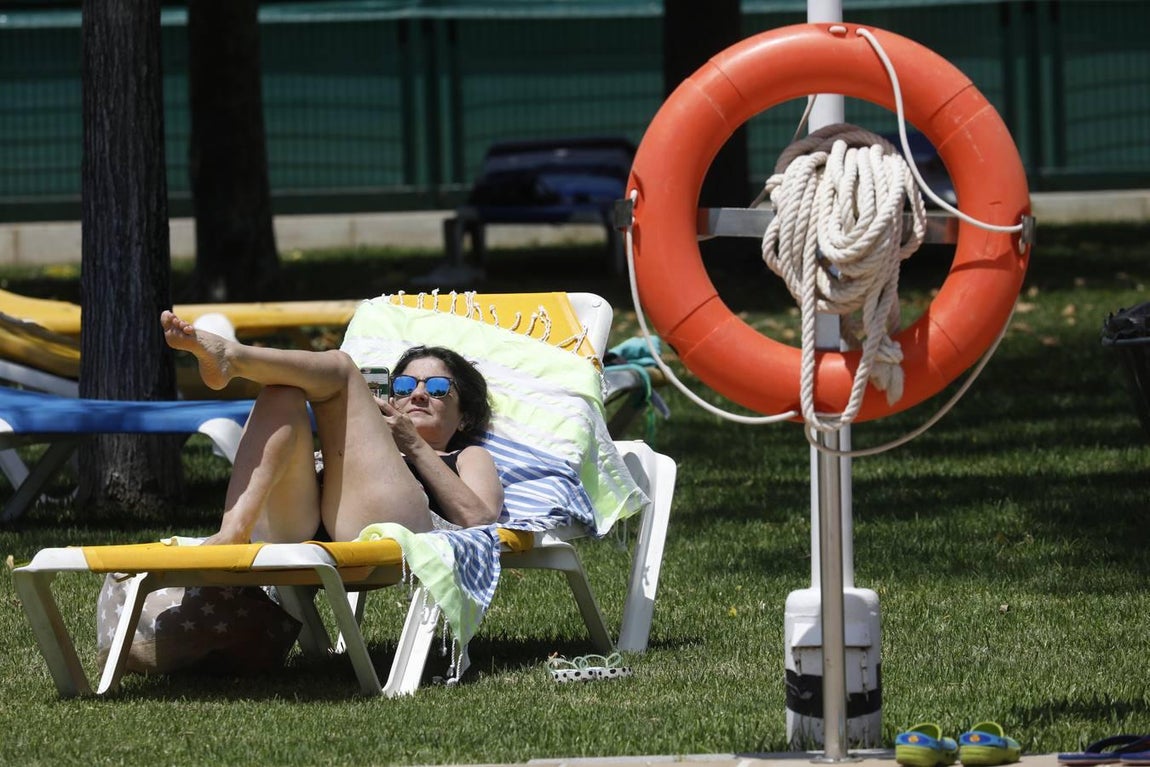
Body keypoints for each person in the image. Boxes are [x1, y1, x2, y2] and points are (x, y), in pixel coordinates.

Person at [161, 311, 504, 544]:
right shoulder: (359, 437)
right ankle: (233, 529)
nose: (417, 395)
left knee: (341, 369)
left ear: (465, 417)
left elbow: (482, 520)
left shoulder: (468, 456)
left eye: (437, 388)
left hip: (398, 528)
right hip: (303, 521)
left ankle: (234, 358)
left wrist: (414, 445)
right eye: (404, 386)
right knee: (281, 393)